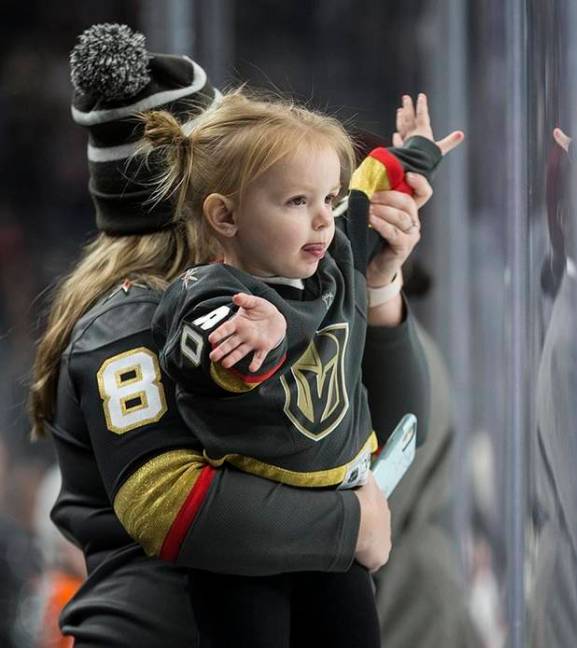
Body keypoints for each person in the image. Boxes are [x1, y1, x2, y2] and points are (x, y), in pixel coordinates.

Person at [30, 24, 437, 647]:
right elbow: (170, 503)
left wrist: (378, 287)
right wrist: (348, 523)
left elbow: (394, 430)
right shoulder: (134, 321)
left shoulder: (279, 289)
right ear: (217, 203)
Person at [142, 86, 460, 647]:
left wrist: (412, 156)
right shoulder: (210, 291)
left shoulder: (336, 262)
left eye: (328, 199)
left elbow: (371, 194)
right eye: (296, 202)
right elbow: (198, 349)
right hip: (249, 555)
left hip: (339, 533)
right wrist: (255, 338)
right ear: (225, 215)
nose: (322, 220)